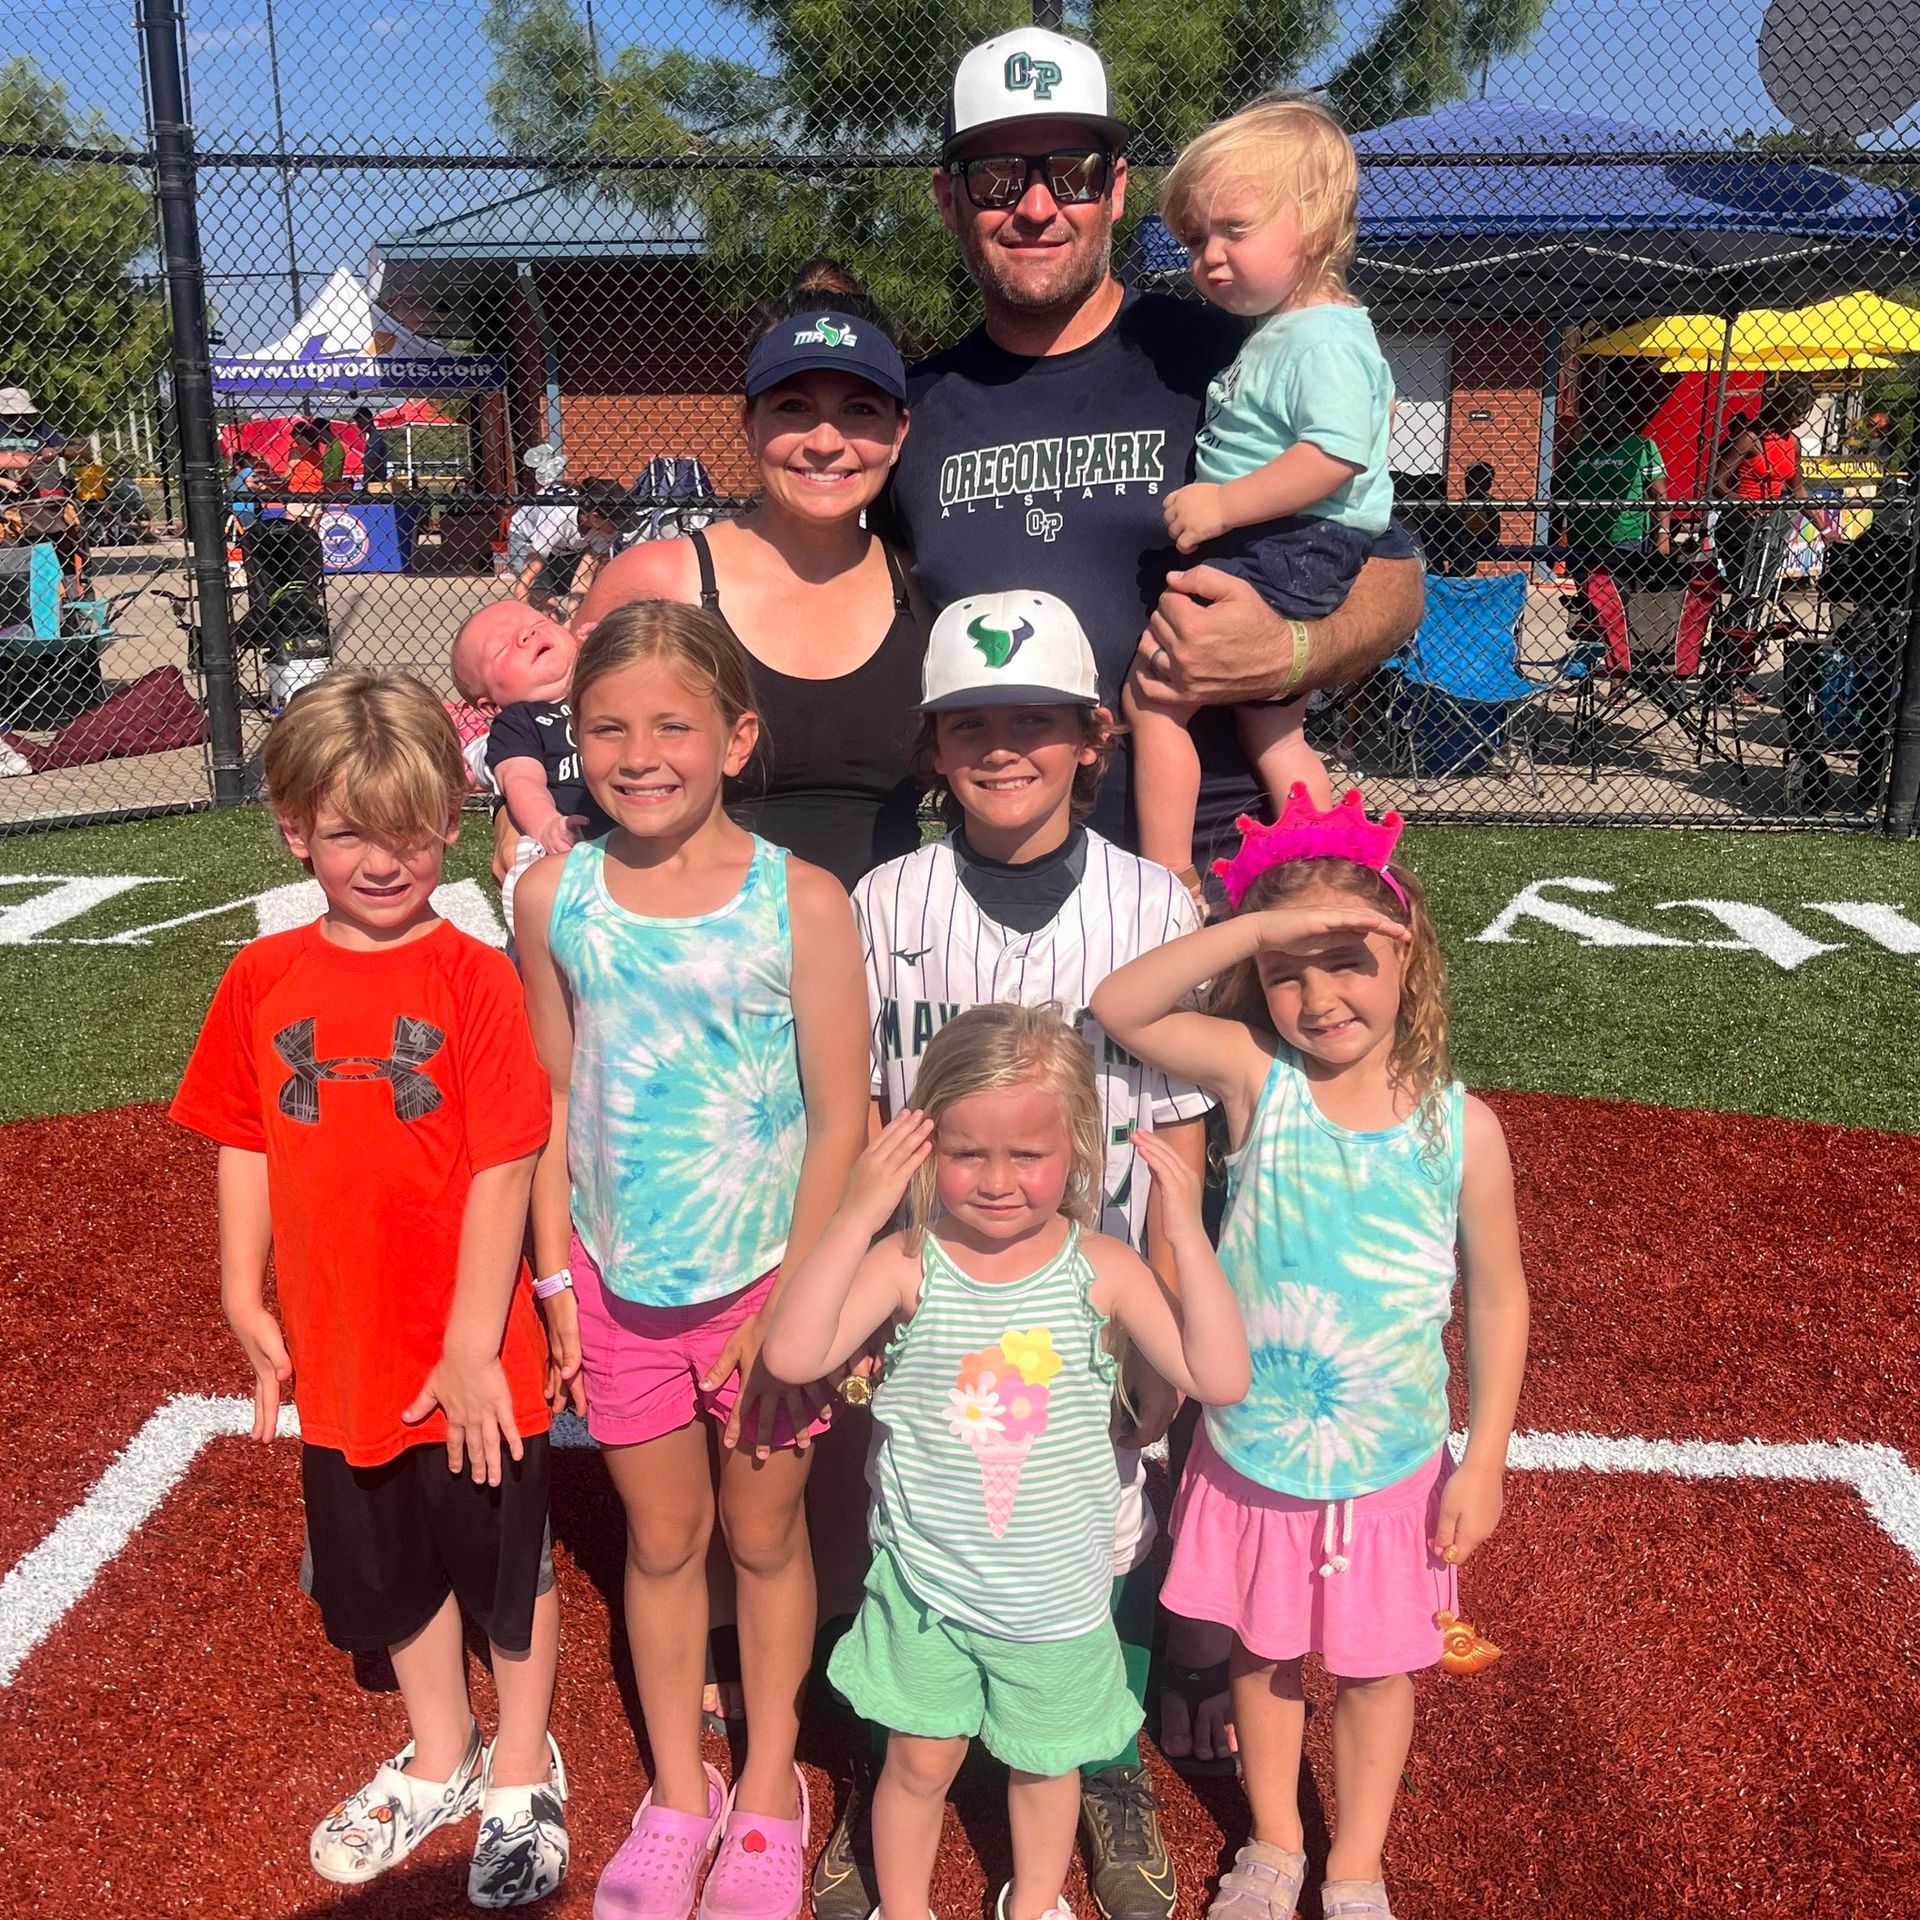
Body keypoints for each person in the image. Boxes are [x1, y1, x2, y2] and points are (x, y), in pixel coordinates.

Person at [168, 671, 572, 1909]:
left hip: (470, 1350)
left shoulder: (476, 978)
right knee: (391, 1565)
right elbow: (243, 1131)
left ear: (445, 826)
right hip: (343, 1345)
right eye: (348, 831)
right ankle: (440, 1748)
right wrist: (245, 1292)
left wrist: (467, 1342)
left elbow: (507, 1160)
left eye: (407, 830)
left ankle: (521, 1763)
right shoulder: (262, 977)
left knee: (506, 1566)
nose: (383, 859)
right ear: (293, 829)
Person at [1090, 788, 1530, 1920]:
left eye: (1348, 961)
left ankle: (1355, 1865)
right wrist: (1248, 933)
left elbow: (1496, 1297)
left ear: (1408, 962)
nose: (1319, 994)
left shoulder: (1460, 1127)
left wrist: (1482, 1460)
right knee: (1263, 1657)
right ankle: (1277, 1845)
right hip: (1255, 1445)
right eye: (1294, 969)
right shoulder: (1256, 1077)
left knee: (1379, 1672)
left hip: (1391, 1462)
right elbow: (1120, 1004)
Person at [851, 589, 1214, 1914]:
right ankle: (902, 1759)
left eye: (1037, 724)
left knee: (1095, 1524)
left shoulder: (1152, 901)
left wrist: (1163, 1309)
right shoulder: (886, 898)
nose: (1006, 751)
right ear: (935, 748)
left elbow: (1179, 1133)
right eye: (974, 726)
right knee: (934, 1516)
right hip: (941, 1282)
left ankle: (1094, 1752)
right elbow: (882, 1118)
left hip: (1096, 1285)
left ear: (1091, 738)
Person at [513, 600, 871, 1920]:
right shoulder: (555, 897)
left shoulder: (805, 903)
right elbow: (549, 1102)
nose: (640, 752)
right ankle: (680, 1791)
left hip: (768, 1294)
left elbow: (845, 1115)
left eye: (674, 724)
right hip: (617, 1290)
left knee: (768, 1542)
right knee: (661, 1547)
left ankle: (768, 1785)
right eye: (607, 727)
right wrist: (557, 1285)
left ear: (738, 736)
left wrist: (791, 1299)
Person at [883, 27, 1423, 870]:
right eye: (995, 178)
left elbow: (1394, 576)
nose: (1035, 206)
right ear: (949, 199)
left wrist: (1292, 653)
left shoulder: (1230, 352)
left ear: (1117, 188)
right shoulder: (911, 414)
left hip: (1228, 874)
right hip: (999, 885)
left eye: (1072, 172)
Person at [762, 1003, 1251, 1920]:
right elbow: (793, 1355)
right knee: (916, 1763)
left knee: (1045, 1765)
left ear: (1074, 1148)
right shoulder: (910, 1262)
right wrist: (862, 1204)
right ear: (924, 1145)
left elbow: (1218, 1376)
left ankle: (1031, 1902)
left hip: (1057, 1602)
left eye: (1027, 1155)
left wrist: (1184, 1229)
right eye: (964, 1153)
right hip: (925, 1592)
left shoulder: (1101, 1267)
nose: (996, 1181)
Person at [574, 261, 928, 892]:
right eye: (793, 407)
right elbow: (565, 759)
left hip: (893, 961)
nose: (825, 441)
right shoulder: (660, 581)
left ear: (898, 433)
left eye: (859, 410)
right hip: (698, 960)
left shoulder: (926, 585)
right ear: (749, 424)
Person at [1126, 98, 1393, 892]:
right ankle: (1334, 855)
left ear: (1311, 225)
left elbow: (1336, 455)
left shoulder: (1322, 337)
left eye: (1232, 230)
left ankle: (1168, 879)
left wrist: (1223, 503)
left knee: (1153, 695)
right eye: (1195, 240)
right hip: (1290, 541)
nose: (1208, 257)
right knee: (1270, 725)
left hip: (1288, 541)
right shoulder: (1288, 330)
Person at [449, 601, 613, 934]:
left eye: (537, 621)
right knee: (532, 870)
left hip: (639, 829)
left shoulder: (608, 679)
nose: (527, 634)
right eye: (503, 646)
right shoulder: (518, 722)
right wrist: (547, 823)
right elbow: (521, 780)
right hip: (571, 842)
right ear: (491, 705)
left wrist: (614, 643)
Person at [355, 405, 392, 490]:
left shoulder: (375, 438)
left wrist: (366, 479)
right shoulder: (372, 437)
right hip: (374, 481)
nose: (358, 425)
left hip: (375, 482)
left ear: (368, 419)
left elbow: (374, 461)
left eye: (360, 422)